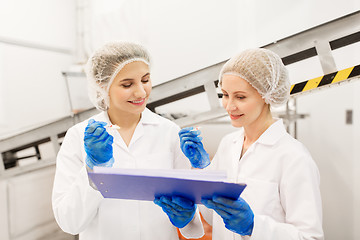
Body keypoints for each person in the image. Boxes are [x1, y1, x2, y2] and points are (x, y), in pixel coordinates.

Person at [52, 41, 204, 240]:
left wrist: (187, 216)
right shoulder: (78, 136)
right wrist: (93, 170)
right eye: (127, 84)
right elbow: (69, 221)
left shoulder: (169, 132)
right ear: (102, 85)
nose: (141, 92)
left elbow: (188, 215)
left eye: (145, 80)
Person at [178, 48, 324, 239]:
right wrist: (202, 170)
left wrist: (253, 227)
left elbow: (310, 237)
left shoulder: (294, 157)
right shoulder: (228, 144)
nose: (229, 106)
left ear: (266, 95)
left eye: (240, 97)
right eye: (225, 94)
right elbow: (214, 216)